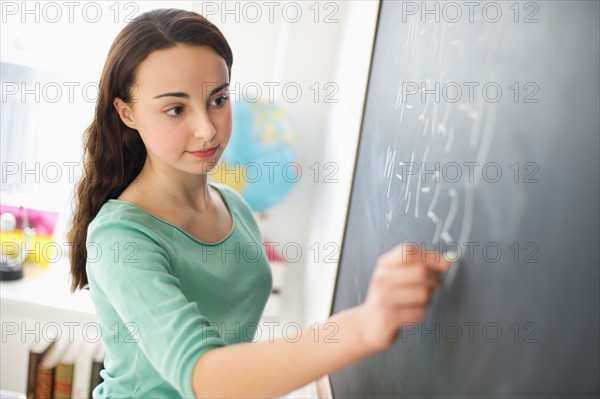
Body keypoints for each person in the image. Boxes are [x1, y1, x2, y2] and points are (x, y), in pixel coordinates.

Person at [68, 8, 450, 398]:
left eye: (217, 99)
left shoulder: (233, 206)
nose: (207, 129)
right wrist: (364, 324)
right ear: (127, 112)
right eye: (176, 109)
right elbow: (206, 378)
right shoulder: (120, 238)